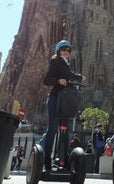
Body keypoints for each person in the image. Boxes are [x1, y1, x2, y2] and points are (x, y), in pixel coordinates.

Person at [43, 40, 86, 171]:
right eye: (63, 50)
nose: (66, 52)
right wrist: (58, 80)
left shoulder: (66, 64)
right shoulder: (55, 62)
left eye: (68, 50)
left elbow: (69, 75)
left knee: (65, 130)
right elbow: (47, 80)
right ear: (58, 51)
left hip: (65, 101)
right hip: (55, 98)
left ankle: (63, 159)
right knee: (52, 129)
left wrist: (79, 77)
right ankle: (46, 161)